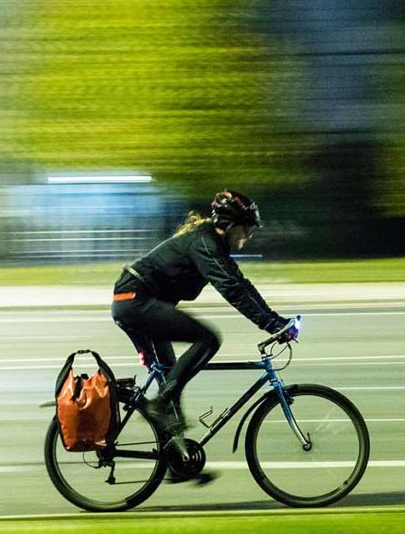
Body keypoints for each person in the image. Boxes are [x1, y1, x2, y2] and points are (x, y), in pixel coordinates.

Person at [111, 190, 297, 446]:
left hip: (138, 303)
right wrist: (270, 325)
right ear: (230, 225)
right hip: (134, 301)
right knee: (207, 340)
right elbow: (231, 290)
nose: (248, 235)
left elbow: (241, 285)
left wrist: (276, 321)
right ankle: (161, 403)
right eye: (246, 228)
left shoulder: (213, 246)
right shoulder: (205, 244)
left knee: (171, 377)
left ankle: (177, 459)